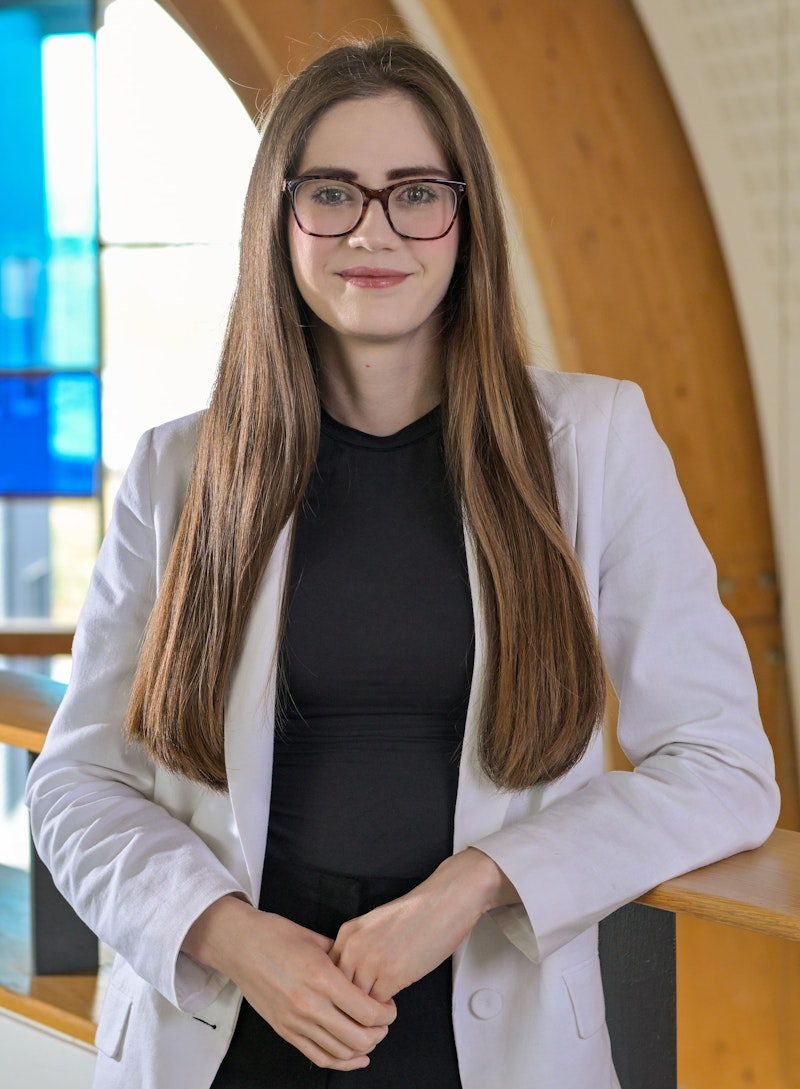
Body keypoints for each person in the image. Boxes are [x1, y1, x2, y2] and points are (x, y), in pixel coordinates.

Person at [26, 35, 779, 1089]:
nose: (371, 230)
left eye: (416, 193)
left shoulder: (594, 444)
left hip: (492, 1038)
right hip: (229, 1026)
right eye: (331, 192)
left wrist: (476, 884)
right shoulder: (178, 469)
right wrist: (231, 934)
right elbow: (77, 785)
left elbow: (721, 766)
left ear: (467, 221)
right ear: (279, 219)